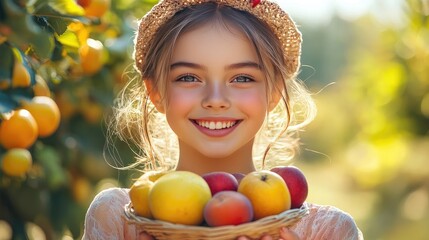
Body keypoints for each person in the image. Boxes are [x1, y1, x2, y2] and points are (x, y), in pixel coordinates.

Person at [82, 0, 364, 239]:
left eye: (242, 78)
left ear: (274, 92)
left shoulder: (328, 231)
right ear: (155, 93)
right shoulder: (118, 218)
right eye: (189, 77)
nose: (215, 98)